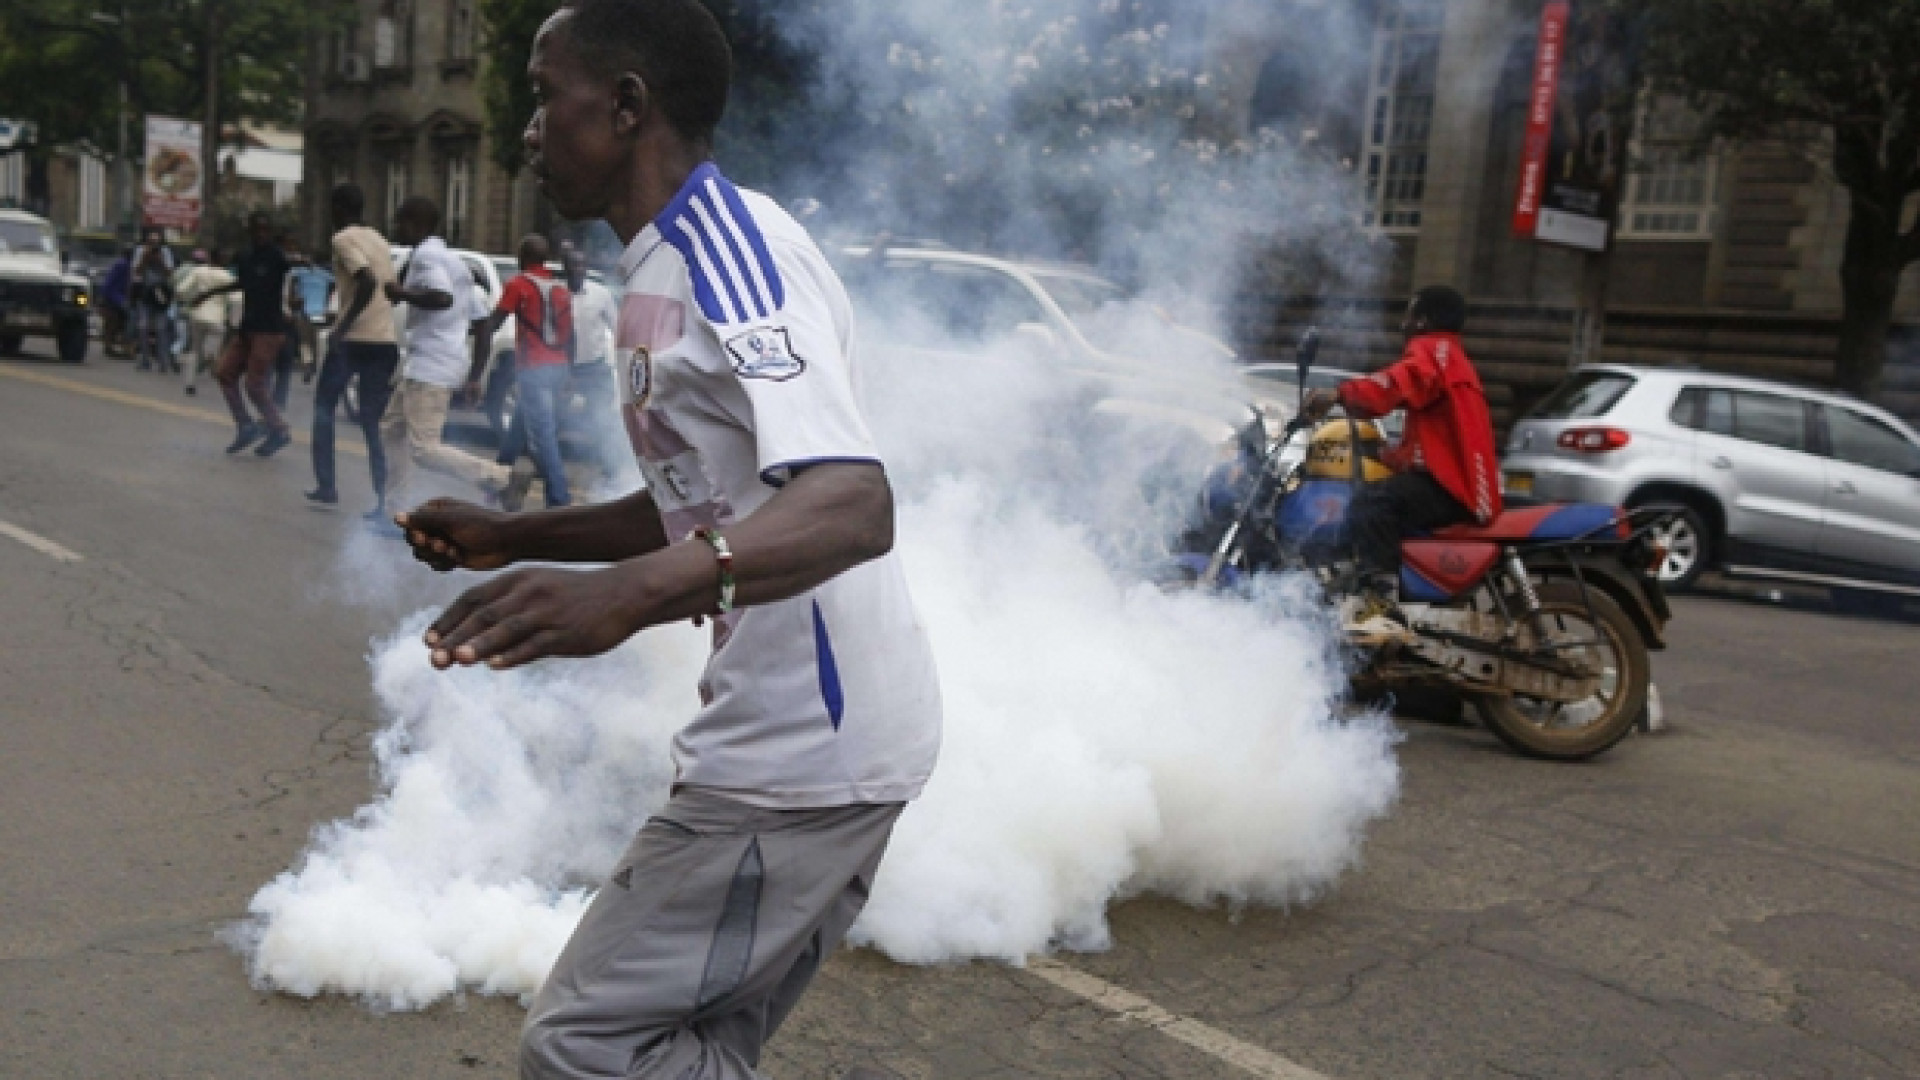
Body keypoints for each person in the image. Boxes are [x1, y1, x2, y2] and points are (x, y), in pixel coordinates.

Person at [395, 4, 942, 1077]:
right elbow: (712, 497)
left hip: (802, 758)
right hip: (807, 746)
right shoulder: (656, 270)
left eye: (548, 96)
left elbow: (850, 501)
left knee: (585, 1047)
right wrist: (516, 534)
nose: (530, 131)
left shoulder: (727, 251)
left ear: (630, 104)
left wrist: (633, 595)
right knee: (693, 1048)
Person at [1302, 285, 1503, 583]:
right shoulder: (1450, 355)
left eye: (1408, 313)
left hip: (1451, 489)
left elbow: (1396, 383)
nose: (1402, 323)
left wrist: (1339, 394)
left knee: (1373, 502)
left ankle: (1378, 598)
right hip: (1456, 484)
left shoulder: (1434, 350)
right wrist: (1386, 455)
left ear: (1422, 320)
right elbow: (1434, 444)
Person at [380, 195, 513, 503]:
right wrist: (475, 376)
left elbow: (442, 297)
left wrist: (400, 291)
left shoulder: (426, 257)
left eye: (400, 223)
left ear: (415, 224)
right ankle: (396, 509)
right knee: (392, 430)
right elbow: (481, 324)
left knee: (423, 449)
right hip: (430, 364)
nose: (397, 229)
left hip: (430, 365)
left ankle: (500, 478)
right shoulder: (458, 264)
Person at [309, 182, 401, 519]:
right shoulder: (379, 239)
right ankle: (383, 499)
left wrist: (342, 327)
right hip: (384, 341)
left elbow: (366, 281)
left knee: (323, 409)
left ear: (337, 208)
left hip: (354, 341)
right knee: (372, 422)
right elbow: (384, 288)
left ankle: (327, 485)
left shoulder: (343, 239)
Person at [478, 234, 575, 508]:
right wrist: (569, 372)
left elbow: (494, 321)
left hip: (534, 367)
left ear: (523, 258)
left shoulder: (519, 284)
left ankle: (559, 501)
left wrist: (479, 336)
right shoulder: (559, 288)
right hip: (557, 367)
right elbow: (569, 335)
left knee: (544, 438)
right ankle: (497, 482)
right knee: (517, 431)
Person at [203, 212, 295, 456]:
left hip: (269, 329)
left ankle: (279, 429)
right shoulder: (246, 255)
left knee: (254, 385)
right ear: (250, 231)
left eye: (265, 230)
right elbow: (242, 283)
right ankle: (246, 425)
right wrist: (210, 293)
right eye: (257, 230)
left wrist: (302, 261)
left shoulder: (276, 256)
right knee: (225, 373)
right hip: (248, 328)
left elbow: (290, 265)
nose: (261, 235)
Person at [558, 239, 627, 484]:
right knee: (554, 420)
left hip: (595, 368)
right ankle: (554, 472)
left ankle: (610, 471)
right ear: (564, 267)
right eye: (573, 266)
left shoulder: (600, 294)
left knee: (601, 420)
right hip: (564, 369)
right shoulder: (556, 294)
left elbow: (618, 328)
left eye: (582, 266)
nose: (578, 270)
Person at [170, 248, 233, 397]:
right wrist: (233, 318)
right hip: (216, 317)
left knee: (194, 351)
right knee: (211, 348)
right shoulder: (226, 276)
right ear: (223, 260)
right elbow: (236, 299)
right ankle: (210, 357)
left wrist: (188, 301)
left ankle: (190, 384)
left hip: (197, 314)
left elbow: (180, 289)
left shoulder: (198, 272)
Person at [130, 226, 177, 373]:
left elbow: (170, 272)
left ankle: (163, 361)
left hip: (161, 293)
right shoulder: (140, 251)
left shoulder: (165, 252)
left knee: (161, 329)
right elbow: (136, 271)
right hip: (146, 293)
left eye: (156, 242)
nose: (154, 245)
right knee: (143, 327)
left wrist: (159, 259)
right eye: (151, 242)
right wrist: (145, 256)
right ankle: (145, 359)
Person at [286, 246, 334, 382]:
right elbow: (334, 288)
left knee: (305, 341)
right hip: (322, 312)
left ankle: (308, 364)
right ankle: (316, 366)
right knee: (317, 340)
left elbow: (291, 287)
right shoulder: (326, 275)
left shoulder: (298, 273)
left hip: (304, 312)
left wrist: (292, 300)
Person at [101, 247, 132, 358]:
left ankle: (110, 345)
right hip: (114, 297)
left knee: (113, 323)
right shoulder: (124, 265)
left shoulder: (121, 263)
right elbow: (113, 284)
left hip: (114, 296)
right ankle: (122, 346)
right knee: (119, 321)